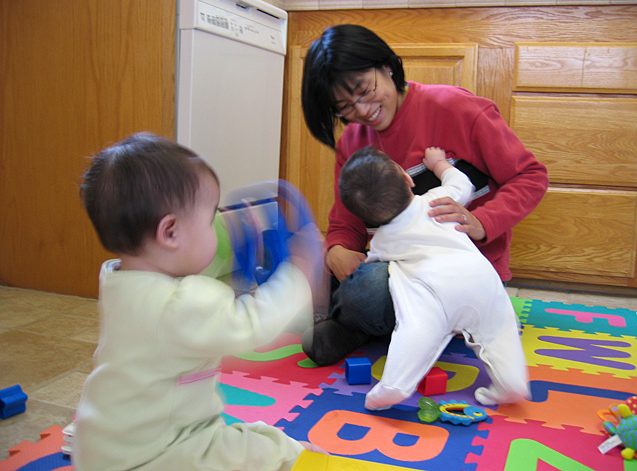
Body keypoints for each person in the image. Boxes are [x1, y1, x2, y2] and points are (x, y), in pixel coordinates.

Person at [74, 133, 326, 471]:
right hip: (161, 452)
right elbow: (253, 325)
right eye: (210, 220)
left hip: (103, 447)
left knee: (240, 433)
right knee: (263, 446)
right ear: (171, 233)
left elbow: (198, 304)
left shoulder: (120, 281)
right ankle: (296, 458)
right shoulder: (179, 305)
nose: (218, 228)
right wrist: (298, 277)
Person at [300, 24, 548, 366]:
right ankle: (365, 320)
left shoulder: (458, 109)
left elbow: (530, 176)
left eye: (364, 89)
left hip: (462, 273)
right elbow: (346, 222)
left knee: (368, 291)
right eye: (344, 107)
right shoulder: (352, 142)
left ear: (386, 66)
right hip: (400, 268)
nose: (361, 110)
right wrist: (337, 252)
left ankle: (359, 325)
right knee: (325, 272)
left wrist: (482, 221)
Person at [339, 145, 529, 410]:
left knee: (414, 333)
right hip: (482, 282)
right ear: (407, 178)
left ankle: (393, 386)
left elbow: (373, 261)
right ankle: (512, 384)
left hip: (435, 297)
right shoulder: (437, 201)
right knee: (499, 333)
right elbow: (462, 183)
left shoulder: (382, 239)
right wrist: (439, 164)